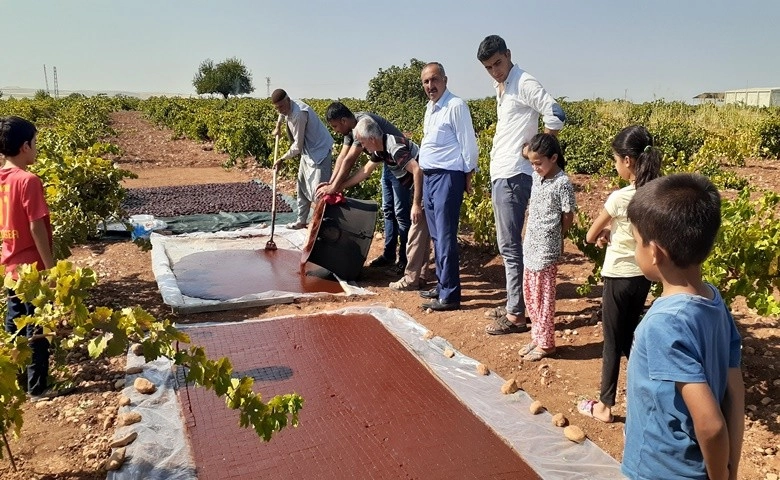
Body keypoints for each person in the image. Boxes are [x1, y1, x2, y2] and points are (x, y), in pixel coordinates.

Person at [621, 173, 744, 480]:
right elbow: (734, 393)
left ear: (655, 252)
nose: (636, 250)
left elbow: (711, 425)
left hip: (660, 470)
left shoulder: (664, 323)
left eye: (636, 241)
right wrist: (728, 470)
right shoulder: (714, 301)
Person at [477, 34, 566, 335]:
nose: (495, 71)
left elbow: (556, 112)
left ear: (508, 55)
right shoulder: (501, 86)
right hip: (502, 172)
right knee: (510, 244)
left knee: (510, 246)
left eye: (498, 63)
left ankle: (516, 315)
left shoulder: (524, 82)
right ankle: (517, 301)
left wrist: (536, 149)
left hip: (514, 175)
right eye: (489, 67)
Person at [578, 125, 662, 423]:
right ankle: (654, 392)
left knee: (613, 340)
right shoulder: (657, 192)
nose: (616, 165)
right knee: (630, 335)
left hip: (617, 275)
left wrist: (603, 233)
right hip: (643, 276)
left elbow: (589, 235)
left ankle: (604, 405)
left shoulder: (620, 198)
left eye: (616, 159)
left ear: (628, 161)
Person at [337, 117, 430, 288]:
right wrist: (338, 187)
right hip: (419, 186)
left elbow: (417, 170)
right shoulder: (380, 149)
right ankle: (421, 276)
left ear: (372, 139)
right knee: (421, 233)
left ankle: (411, 279)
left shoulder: (394, 148)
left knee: (416, 232)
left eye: (363, 142)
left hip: (427, 185)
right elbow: (365, 171)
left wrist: (416, 203)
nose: (362, 147)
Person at [320, 102, 411, 275]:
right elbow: (342, 157)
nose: (335, 130)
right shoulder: (351, 128)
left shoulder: (362, 125)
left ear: (344, 120)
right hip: (386, 162)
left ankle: (405, 260)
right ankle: (389, 255)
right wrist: (332, 184)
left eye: (335, 126)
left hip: (402, 163)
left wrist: (334, 188)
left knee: (401, 214)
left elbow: (350, 161)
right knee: (388, 211)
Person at [0, 116, 55, 399]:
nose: (36, 149)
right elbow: (36, 226)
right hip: (32, 272)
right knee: (37, 330)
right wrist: (52, 269)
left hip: (10, 270)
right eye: (35, 143)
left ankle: (15, 384)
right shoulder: (29, 181)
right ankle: (38, 389)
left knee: (15, 327)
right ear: (25, 146)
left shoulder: (2, 180)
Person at [417, 62, 478, 311]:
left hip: (447, 178)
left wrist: (467, 176)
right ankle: (442, 285)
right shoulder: (430, 109)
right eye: (426, 82)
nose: (430, 86)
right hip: (430, 178)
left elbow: (468, 145)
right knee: (436, 236)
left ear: (445, 80)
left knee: (445, 236)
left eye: (434, 80)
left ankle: (450, 295)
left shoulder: (456, 106)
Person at [518, 133, 576, 362]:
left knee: (544, 296)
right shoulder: (536, 177)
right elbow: (526, 150)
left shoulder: (562, 183)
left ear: (553, 158)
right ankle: (537, 337)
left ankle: (547, 344)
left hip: (546, 247)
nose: (535, 167)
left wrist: (559, 235)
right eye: (532, 163)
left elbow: (568, 214)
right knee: (530, 293)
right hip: (531, 243)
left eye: (539, 163)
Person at [271, 89, 334, 229]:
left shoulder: (299, 114)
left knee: (319, 191)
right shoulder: (285, 109)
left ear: (288, 100)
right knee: (302, 185)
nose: (280, 110)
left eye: (281, 106)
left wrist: (282, 159)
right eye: (277, 108)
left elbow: (297, 146)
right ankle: (301, 221)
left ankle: (319, 226)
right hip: (308, 151)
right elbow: (281, 115)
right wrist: (278, 127)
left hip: (320, 151)